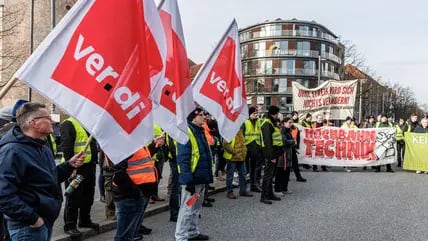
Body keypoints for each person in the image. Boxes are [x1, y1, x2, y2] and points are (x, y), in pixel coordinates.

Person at [0, 102, 85, 241]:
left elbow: (49, 177)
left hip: (44, 221)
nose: (53, 120)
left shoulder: (41, 146)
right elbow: (3, 195)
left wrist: (69, 165)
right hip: (28, 227)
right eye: (48, 117)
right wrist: (33, 219)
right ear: (33, 123)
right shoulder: (11, 151)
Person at [112, 139, 161, 241]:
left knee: (131, 233)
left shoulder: (135, 140)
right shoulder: (124, 142)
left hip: (140, 192)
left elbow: (139, 160)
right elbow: (119, 174)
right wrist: (136, 192)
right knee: (124, 235)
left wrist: (154, 146)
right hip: (130, 195)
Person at [175, 108, 213, 241]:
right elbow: (183, 158)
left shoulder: (200, 131)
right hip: (192, 178)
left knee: (196, 208)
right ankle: (181, 237)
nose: (204, 117)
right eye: (201, 115)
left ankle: (192, 232)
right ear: (193, 118)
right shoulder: (187, 132)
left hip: (200, 177)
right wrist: (187, 180)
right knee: (187, 209)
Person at [60, 117, 99, 237]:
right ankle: (70, 225)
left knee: (88, 196)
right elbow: (66, 147)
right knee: (74, 197)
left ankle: (85, 220)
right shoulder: (69, 123)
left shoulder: (88, 123)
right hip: (76, 168)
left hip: (89, 166)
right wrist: (71, 167)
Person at [260, 106, 283, 204]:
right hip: (271, 154)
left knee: (271, 175)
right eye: (277, 113)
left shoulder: (272, 123)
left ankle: (270, 193)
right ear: (274, 113)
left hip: (275, 153)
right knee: (268, 175)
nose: (278, 115)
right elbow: (267, 142)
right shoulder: (267, 124)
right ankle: (264, 196)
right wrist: (271, 156)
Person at [223, 128, 253, 199]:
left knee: (243, 174)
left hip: (241, 157)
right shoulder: (229, 131)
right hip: (232, 158)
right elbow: (225, 144)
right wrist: (234, 152)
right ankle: (230, 192)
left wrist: (244, 152)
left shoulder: (240, 131)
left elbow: (243, 144)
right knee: (230, 176)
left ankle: (243, 191)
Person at [243, 106, 264, 192]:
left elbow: (261, 135)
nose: (256, 115)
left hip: (257, 147)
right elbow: (242, 135)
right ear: (249, 114)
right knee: (247, 169)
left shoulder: (259, 122)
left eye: (256, 113)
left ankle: (255, 184)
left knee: (256, 168)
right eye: (254, 113)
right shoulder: (245, 122)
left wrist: (262, 146)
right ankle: (248, 186)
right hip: (248, 147)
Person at [275, 117, 297, 196]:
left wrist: (292, 142)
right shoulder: (282, 130)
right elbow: (284, 141)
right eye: (289, 122)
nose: (291, 124)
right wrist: (293, 141)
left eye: (291, 122)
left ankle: (284, 188)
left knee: (286, 172)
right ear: (284, 123)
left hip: (288, 153)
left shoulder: (289, 130)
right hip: (282, 154)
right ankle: (277, 189)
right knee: (280, 172)